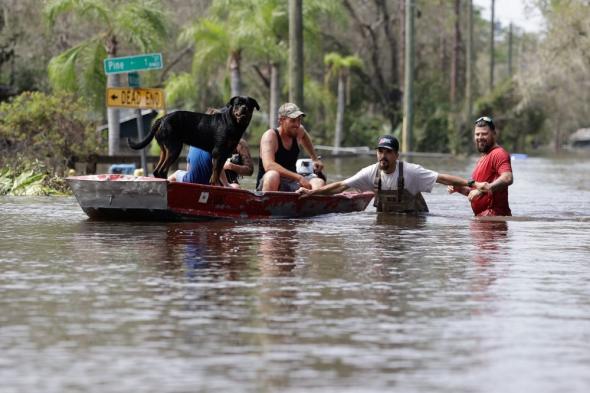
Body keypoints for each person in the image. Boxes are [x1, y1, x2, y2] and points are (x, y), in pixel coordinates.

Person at [298, 134, 482, 214]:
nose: (383, 156)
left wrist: (471, 183)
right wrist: (312, 193)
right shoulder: (370, 172)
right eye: (380, 151)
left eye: (387, 152)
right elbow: (340, 186)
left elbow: (441, 178)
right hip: (386, 221)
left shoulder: (411, 171)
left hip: (414, 222)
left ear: (396, 155)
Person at [447, 116, 513, 216]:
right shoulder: (484, 157)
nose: (480, 137)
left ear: (494, 134)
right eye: (477, 134)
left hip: (494, 221)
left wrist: (486, 188)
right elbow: (476, 194)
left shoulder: (499, 154)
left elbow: (507, 178)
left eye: (484, 134)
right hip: (483, 220)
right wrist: (459, 188)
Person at [256, 102, 325, 192]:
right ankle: (267, 205)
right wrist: (299, 177)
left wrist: (314, 158)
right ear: (281, 120)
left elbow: (304, 136)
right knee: (273, 175)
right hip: (270, 183)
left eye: (299, 120)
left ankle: (311, 205)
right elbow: (269, 165)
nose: (297, 124)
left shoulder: (299, 130)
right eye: (293, 120)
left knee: (318, 182)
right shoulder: (270, 136)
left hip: (291, 182)